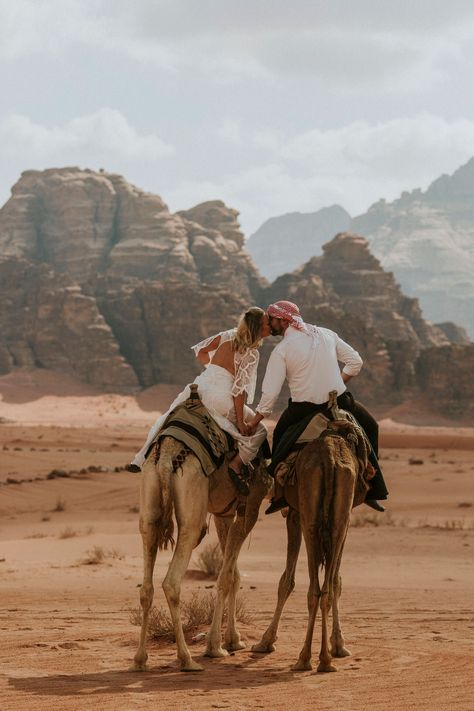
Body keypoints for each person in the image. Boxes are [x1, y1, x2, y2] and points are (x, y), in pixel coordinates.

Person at [247, 300, 388, 513]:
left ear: (283, 321)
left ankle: (280, 494)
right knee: (371, 427)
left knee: (281, 436)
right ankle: (372, 486)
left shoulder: (282, 350)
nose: (270, 323)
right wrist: (338, 383)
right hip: (339, 401)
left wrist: (256, 420)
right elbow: (355, 362)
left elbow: (271, 393)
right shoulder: (326, 334)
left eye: (272, 319)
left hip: (304, 408)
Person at [127, 307, 271, 495]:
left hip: (198, 388)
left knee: (168, 416)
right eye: (267, 324)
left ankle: (140, 458)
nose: (270, 327)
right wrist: (242, 422)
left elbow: (201, 351)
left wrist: (214, 370)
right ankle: (236, 466)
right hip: (220, 398)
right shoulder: (250, 352)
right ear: (258, 327)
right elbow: (239, 390)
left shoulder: (227, 335)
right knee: (260, 430)